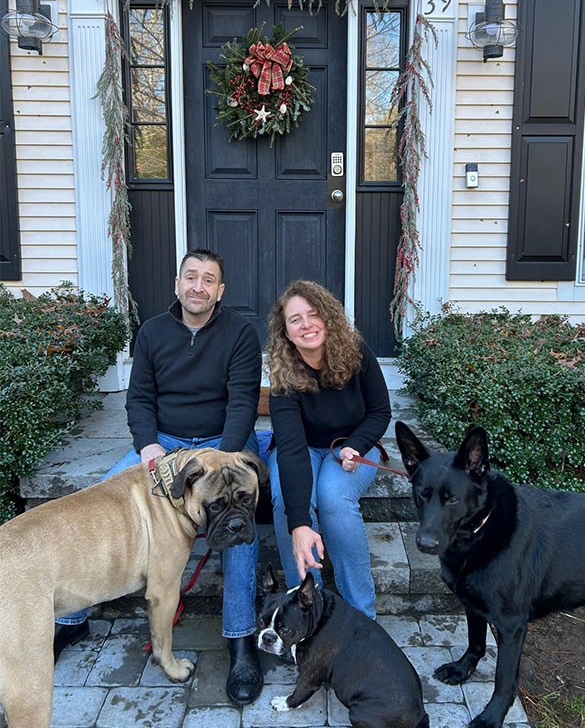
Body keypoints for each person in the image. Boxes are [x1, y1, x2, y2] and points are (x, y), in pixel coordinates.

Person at [54, 249, 264, 705]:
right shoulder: (150, 332)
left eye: (209, 280)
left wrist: (221, 458)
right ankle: (72, 618)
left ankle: (241, 639)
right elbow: (139, 399)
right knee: (93, 507)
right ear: (176, 283)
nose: (198, 286)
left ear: (220, 291)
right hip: (163, 444)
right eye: (191, 277)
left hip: (218, 444)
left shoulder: (241, 334)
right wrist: (148, 445)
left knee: (238, 525)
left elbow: (243, 402)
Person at [266, 280, 391, 620]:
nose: (306, 324)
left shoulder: (358, 353)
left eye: (313, 314)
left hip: (351, 447)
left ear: (328, 317)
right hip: (301, 448)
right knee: (288, 502)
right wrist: (300, 523)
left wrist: (356, 445)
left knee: (334, 498)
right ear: (286, 333)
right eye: (295, 320)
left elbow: (380, 412)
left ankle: (361, 616)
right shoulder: (283, 374)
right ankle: (308, 610)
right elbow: (291, 447)